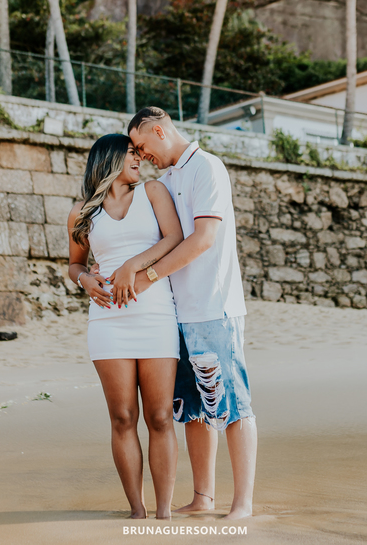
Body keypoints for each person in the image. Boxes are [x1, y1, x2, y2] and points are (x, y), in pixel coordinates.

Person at [116, 107, 257, 520]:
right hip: (177, 313)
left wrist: (150, 276)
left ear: (159, 130)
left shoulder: (207, 168)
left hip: (215, 308)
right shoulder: (167, 180)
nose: (141, 157)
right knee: (193, 408)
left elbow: (204, 239)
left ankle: (243, 503)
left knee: (232, 405)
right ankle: (203, 497)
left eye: (142, 145)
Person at [67, 133, 185, 520]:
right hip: (107, 320)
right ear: (110, 159)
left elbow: (175, 238)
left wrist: (133, 265)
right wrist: (85, 281)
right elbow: (75, 265)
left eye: (139, 152)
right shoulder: (82, 213)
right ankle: (137, 509)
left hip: (155, 315)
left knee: (160, 417)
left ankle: (164, 511)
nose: (139, 158)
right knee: (122, 418)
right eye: (132, 153)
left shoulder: (153, 193)